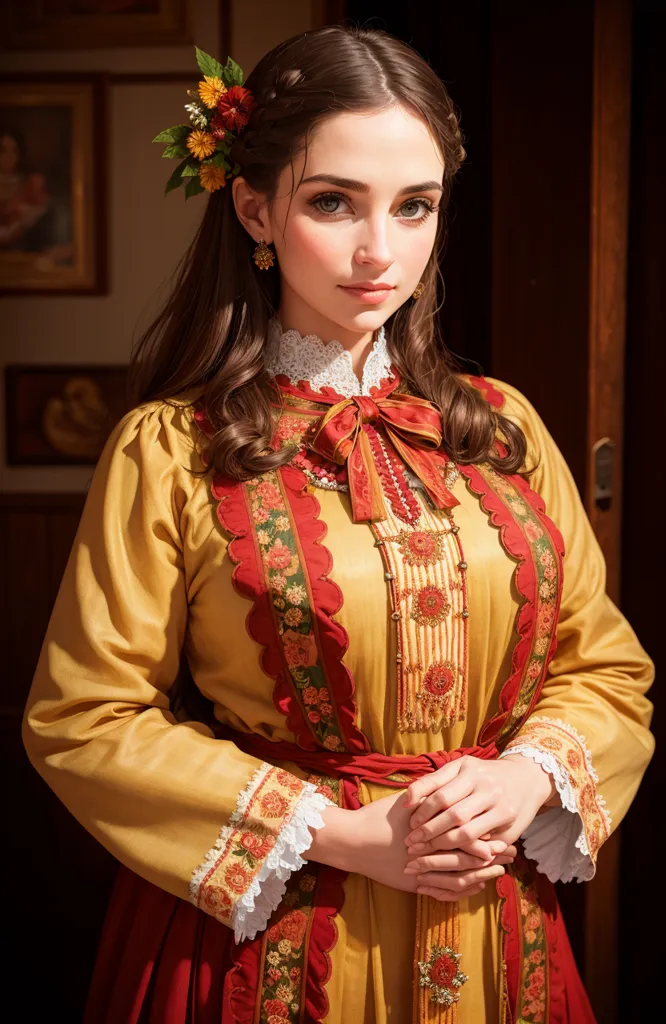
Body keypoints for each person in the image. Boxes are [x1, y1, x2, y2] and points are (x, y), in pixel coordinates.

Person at [22, 25, 654, 1024]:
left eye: (415, 207)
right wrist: (343, 833)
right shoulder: (169, 448)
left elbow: (606, 666)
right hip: (272, 933)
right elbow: (86, 716)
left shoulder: (501, 426)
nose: (379, 250)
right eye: (333, 202)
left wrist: (525, 777)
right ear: (253, 208)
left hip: (493, 930)